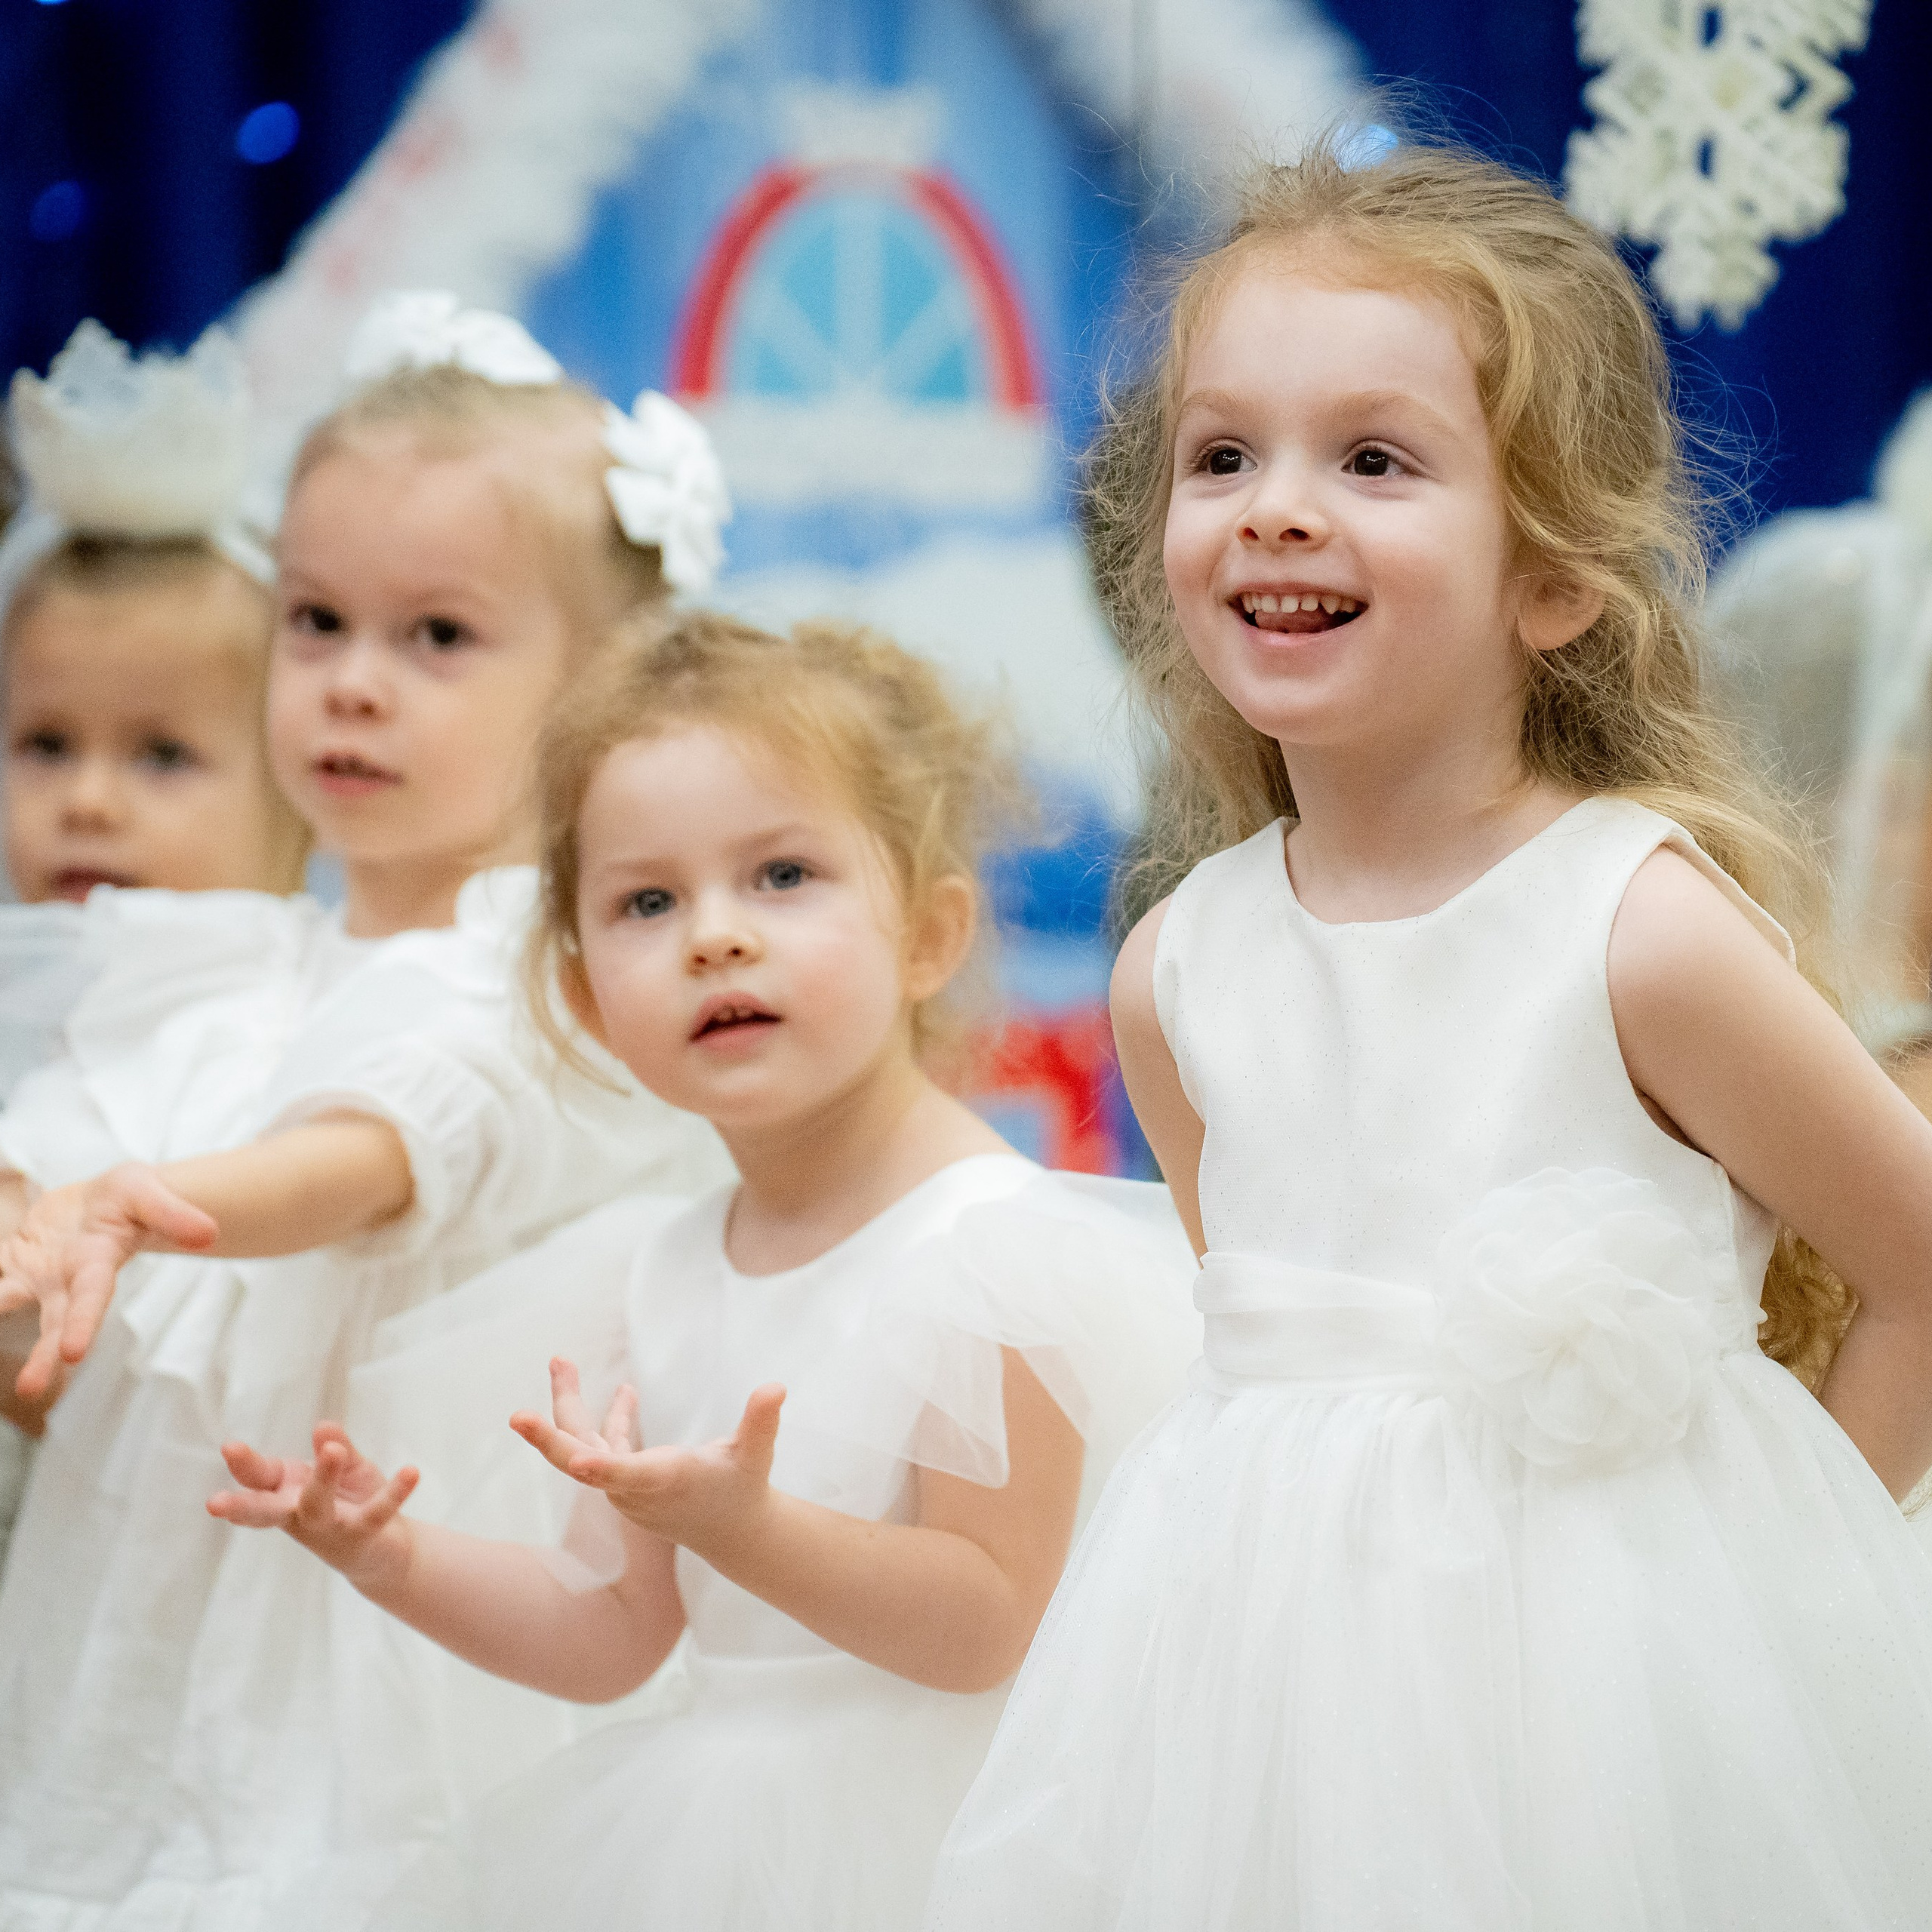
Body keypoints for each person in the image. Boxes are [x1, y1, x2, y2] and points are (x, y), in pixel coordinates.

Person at [926, 137, 1932, 1930]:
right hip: (1249, 1701)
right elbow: (1260, 1355)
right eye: (1220, 454)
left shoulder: (1635, 930)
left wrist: (1772, 1585)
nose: (1275, 506)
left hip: (1601, 1722)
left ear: (1550, 579)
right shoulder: (1181, 968)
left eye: (1371, 459)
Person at [210, 611, 1201, 1930]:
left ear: (927, 932)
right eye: (647, 901)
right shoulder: (654, 1269)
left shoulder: (996, 1256)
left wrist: (748, 1526)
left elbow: (983, 1625)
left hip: (956, 1850)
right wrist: (391, 1557)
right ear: (582, 996)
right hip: (702, 1856)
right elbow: (610, 1634)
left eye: (783, 876)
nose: (715, 936)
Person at [0, 295, 732, 1924]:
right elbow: (60, 1266)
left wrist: (132, 1197)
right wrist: (35, 1246)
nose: (351, 684)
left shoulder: (549, 975)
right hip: (148, 1618)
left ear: (600, 687)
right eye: (317, 623)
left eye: (437, 638)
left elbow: (380, 1152)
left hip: (396, 1628)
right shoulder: (209, 968)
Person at [0, 320, 309, 1566]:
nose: (90, 801)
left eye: (162, 755)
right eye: (46, 745)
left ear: (295, 782)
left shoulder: (272, 1022)